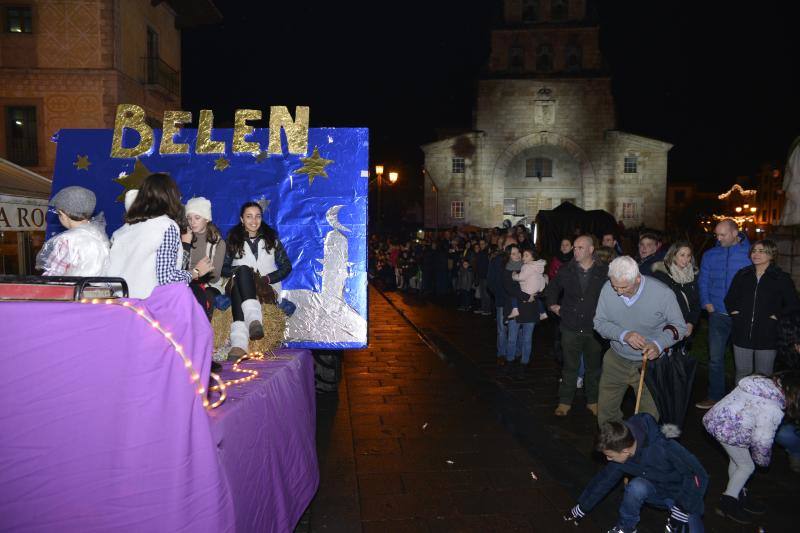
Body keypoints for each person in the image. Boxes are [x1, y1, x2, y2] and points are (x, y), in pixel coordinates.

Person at [563, 414, 708, 533]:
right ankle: (626, 527)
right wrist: (582, 507)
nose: (608, 459)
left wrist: (683, 507)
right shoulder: (621, 445)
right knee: (635, 487)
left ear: (625, 451)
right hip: (655, 489)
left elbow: (698, 474)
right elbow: (604, 480)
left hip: (681, 494)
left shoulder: (664, 446)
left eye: (610, 456)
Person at [593, 256, 688, 426]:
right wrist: (624, 335)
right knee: (606, 414)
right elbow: (599, 323)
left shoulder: (662, 293)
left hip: (649, 365)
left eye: (623, 287)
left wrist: (658, 344)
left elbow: (679, 327)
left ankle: (642, 449)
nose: (618, 292)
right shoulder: (608, 288)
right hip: (616, 360)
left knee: (648, 419)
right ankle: (613, 449)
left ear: (637, 278)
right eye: (615, 286)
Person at [703, 371, 800, 524]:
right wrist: (762, 461)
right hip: (728, 430)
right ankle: (727, 503)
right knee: (747, 466)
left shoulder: (759, 382)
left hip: (715, 420)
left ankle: (738, 492)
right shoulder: (773, 409)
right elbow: (762, 440)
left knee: (737, 462)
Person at [107, 173, 211, 299]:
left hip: (119, 302)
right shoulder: (166, 226)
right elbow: (166, 279)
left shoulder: (123, 230)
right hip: (148, 305)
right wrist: (195, 272)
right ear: (171, 197)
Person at [545, 235, 608, 416]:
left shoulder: (603, 271)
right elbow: (553, 288)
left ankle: (593, 401)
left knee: (593, 369)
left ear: (591, 250)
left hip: (594, 328)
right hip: (570, 326)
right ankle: (565, 401)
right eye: (574, 247)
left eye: (580, 247)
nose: (576, 250)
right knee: (570, 367)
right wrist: (553, 305)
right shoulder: (567, 269)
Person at [723, 239, 800, 384]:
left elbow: (793, 305)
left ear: (771, 255)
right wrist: (737, 316)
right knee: (742, 373)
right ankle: (741, 406)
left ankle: (762, 407)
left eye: (761, 251)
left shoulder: (781, 278)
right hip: (742, 334)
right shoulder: (742, 274)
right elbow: (730, 299)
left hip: (768, 335)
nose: (756, 254)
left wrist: (776, 316)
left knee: (764, 376)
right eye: (754, 251)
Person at [222, 201, 292, 359]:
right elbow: (223, 268)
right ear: (241, 219)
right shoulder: (233, 240)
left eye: (257, 216)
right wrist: (239, 272)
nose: (254, 221)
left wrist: (268, 279)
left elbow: (286, 266)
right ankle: (254, 320)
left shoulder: (271, 239)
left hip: (265, 289)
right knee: (243, 271)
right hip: (237, 284)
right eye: (249, 216)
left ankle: (239, 344)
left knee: (242, 279)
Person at [695, 219, 752, 410]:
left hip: (742, 316)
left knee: (742, 362)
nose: (718, 239)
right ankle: (715, 397)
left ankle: (742, 401)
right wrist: (706, 303)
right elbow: (703, 280)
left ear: (735, 233)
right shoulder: (711, 254)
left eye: (722, 235)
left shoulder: (751, 253)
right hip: (718, 313)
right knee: (715, 358)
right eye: (716, 235)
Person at [36, 186, 109, 276]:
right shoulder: (99, 235)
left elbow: (53, 276)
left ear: (62, 214)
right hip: (98, 289)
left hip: (73, 289)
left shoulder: (66, 240)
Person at [181, 197, 227, 320]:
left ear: (206, 219)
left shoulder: (218, 243)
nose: (192, 222)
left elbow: (214, 277)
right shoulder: (184, 239)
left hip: (210, 286)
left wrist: (193, 272)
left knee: (205, 296)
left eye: (197, 218)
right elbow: (178, 269)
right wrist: (197, 271)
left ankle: (202, 332)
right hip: (187, 283)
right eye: (189, 218)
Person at [501, 244, 539, 374]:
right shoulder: (507, 271)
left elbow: (538, 284)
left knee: (527, 338)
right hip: (514, 308)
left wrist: (538, 290)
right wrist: (526, 296)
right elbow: (510, 289)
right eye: (513, 253)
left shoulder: (529, 266)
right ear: (508, 256)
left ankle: (524, 363)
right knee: (512, 338)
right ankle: (510, 360)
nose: (517, 255)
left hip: (529, 308)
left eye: (518, 253)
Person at [651, 241, 702, 340]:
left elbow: (696, 302)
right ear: (673, 256)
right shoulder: (661, 276)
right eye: (682, 255)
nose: (686, 259)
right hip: (665, 326)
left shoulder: (693, 275)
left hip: (685, 325)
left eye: (688, 255)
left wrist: (691, 322)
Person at [508, 248, 547, 320]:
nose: (523, 257)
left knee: (513, 295)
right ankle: (542, 312)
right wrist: (540, 289)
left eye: (526, 256)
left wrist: (513, 276)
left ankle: (515, 309)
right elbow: (541, 278)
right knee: (538, 301)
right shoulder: (538, 266)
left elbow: (521, 277)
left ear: (532, 258)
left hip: (528, 290)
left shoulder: (527, 266)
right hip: (536, 289)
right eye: (523, 255)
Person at [487, 246, 509, 365]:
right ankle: (502, 353)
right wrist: (498, 292)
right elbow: (490, 280)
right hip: (501, 299)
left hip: (515, 300)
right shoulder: (497, 260)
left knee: (516, 329)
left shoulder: (518, 260)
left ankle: (514, 352)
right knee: (502, 328)